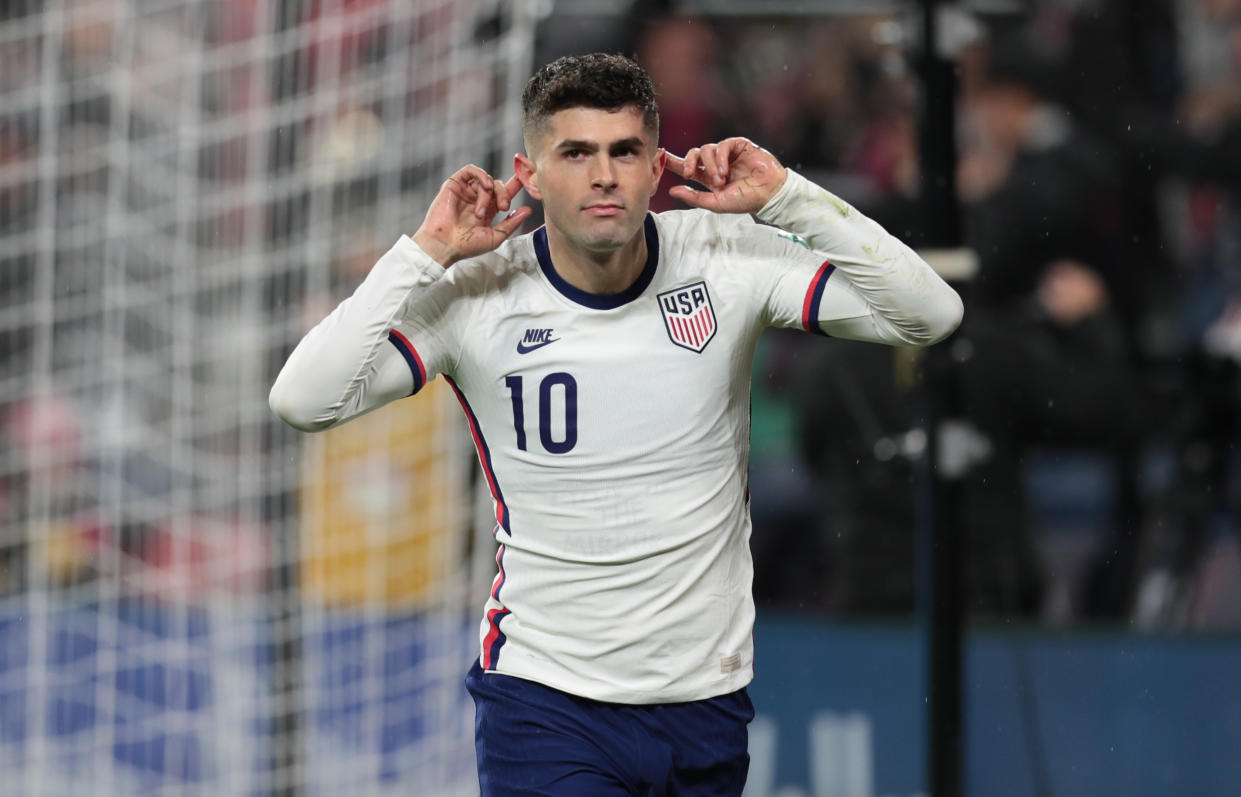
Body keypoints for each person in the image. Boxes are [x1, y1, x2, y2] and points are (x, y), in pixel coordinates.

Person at [269, 53, 962, 797]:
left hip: (703, 700)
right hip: (545, 700)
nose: (604, 175)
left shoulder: (724, 255)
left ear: (654, 165)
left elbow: (931, 314)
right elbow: (304, 399)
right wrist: (422, 253)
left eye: (624, 151)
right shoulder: (476, 294)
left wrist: (787, 197)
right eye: (576, 152)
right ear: (529, 173)